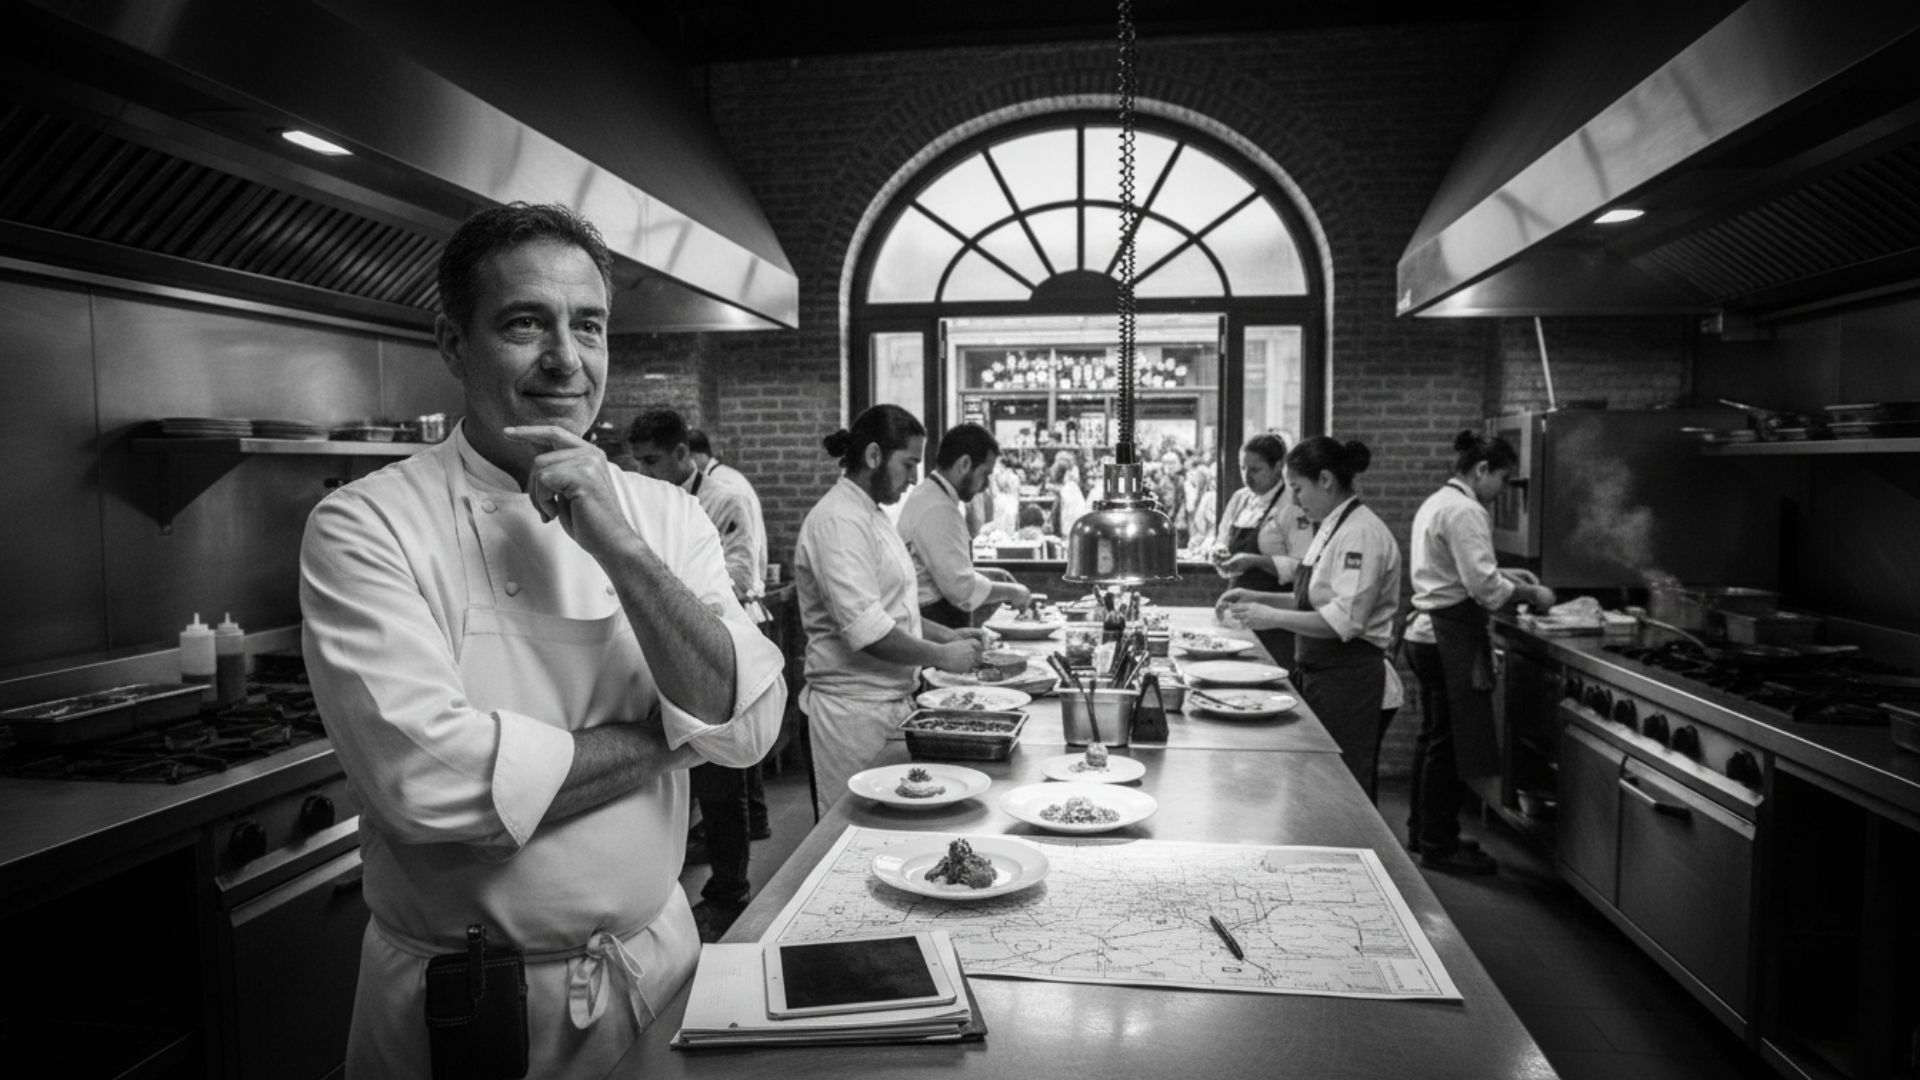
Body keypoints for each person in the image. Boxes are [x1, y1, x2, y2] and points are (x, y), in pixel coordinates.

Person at [300, 203, 786, 1077]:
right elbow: (432, 785)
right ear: (453, 343)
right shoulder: (368, 523)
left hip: (659, 973)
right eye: (526, 322)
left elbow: (748, 727)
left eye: (588, 325)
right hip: (467, 1010)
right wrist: (671, 737)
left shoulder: (665, 516)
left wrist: (619, 545)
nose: (566, 357)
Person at [795, 405, 990, 816]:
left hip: (888, 703)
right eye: (908, 464)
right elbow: (867, 631)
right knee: (856, 830)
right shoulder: (837, 522)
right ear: (872, 456)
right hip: (853, 713)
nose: (914, 478)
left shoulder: (874, 514)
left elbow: (896, 612)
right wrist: (942, 656)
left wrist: (946, 635)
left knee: (892, 823)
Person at [625, 407, 772, 935]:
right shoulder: (647, 504)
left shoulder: (722, 498)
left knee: (722, 781)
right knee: (702, 777)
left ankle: (730, 891)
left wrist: (674, 598)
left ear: (683, 453)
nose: (643, 472)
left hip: (727, 642)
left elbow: (740, 572)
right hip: (673, 643)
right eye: (636, 461)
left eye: (653, 460)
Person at [1405, 430, 1557, 874]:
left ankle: (1425, 832)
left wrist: (1507, 573)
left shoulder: (1438, 502)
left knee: (1434, 741)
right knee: (1449, 747)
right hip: (1446, 637)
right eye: (1503, 480)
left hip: (1427, 634)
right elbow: (1482, 586)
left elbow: (1457, 568)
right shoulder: (1467, 510)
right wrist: (1538, 596)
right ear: (1482, 470)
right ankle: (1438, 844)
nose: (1503, 491)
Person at [1220, 436, 1401, 798]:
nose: (1297, 501)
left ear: (1326, 480)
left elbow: (1341, 621)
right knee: (1313, 784)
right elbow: (1311, 600)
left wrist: (1269, 615)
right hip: (1321, 674)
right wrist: (1257, 595)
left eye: (1298, 489)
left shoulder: (1360, 533)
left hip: (1350, 679)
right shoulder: (1331, 526)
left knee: (1341, 790)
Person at [897, 423, 1034, 629]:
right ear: (964, 464)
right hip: (935, 622)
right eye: (984, 474)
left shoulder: (932, 496)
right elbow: (960, 589)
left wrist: (1000, 580)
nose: (987, 484)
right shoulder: (937, 508)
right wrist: (1014, 591)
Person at [1211, 434, 1315, 665]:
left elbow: (1303, 565)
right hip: (1237, 607)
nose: (1247, 477)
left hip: (1276, 616)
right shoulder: (1240, 499)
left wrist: (1256, 561)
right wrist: (1220, 554)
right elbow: (1221, 538)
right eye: (1243, 468)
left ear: (1278, 466)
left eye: (1255, 470)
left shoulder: (1293, 503)